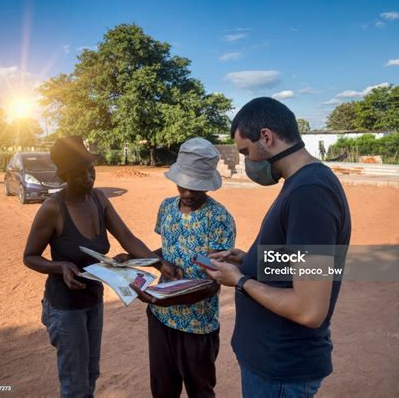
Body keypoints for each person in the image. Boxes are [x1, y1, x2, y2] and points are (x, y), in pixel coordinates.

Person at [206, 98, 352, 398]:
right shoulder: (301, 183)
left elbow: (309, 309)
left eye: (246, 151)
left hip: (282, 367)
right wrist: (248, 260)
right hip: (271, 361)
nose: (247, 161)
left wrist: (240, 280)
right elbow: (298, 267)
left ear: (267, 137)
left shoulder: (310, 192)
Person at [23, 136, 179, 398]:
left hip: (93, 301)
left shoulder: (99, 200)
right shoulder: (53, 209)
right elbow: (30, 256)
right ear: (63, 175)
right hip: (65, 308)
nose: (88, 178)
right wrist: (60, 266)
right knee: (75, 384)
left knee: (91, 373)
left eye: (91, 170)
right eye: (79, 174)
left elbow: (127, 238)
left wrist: (158, 263)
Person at [130, 137, 236, 398]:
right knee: (163, 389)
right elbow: (166, 251)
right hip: (160, 319)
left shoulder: (219, 219)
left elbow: (213, 284)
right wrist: (136, 259)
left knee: (200, 391)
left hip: (197, 325)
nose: (188, 193)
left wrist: (170, 299)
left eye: (196, 187)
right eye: (183, 185)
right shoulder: (166, 207)